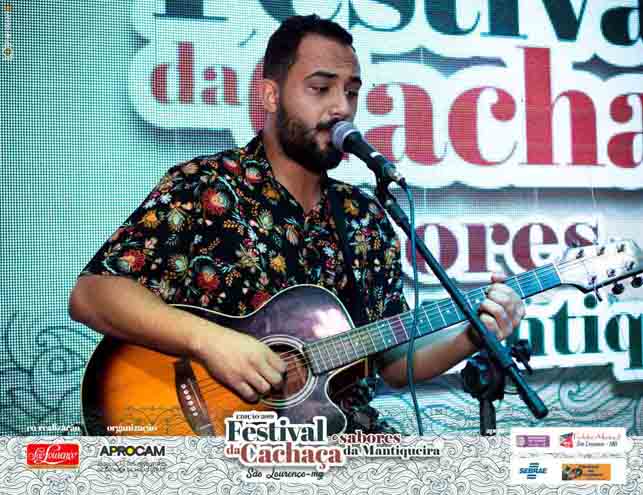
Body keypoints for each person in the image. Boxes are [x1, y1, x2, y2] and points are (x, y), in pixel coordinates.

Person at [69, 15, 525, 434]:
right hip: (220, 451)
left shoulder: (364, 218)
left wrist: (474, 333)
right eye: (321, 88)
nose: (341, 107)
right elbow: (93, 295)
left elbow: (391, 363)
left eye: (351, 92)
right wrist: (209, 343)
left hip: (341, 443)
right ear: (271, 96)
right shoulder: (207, 186)